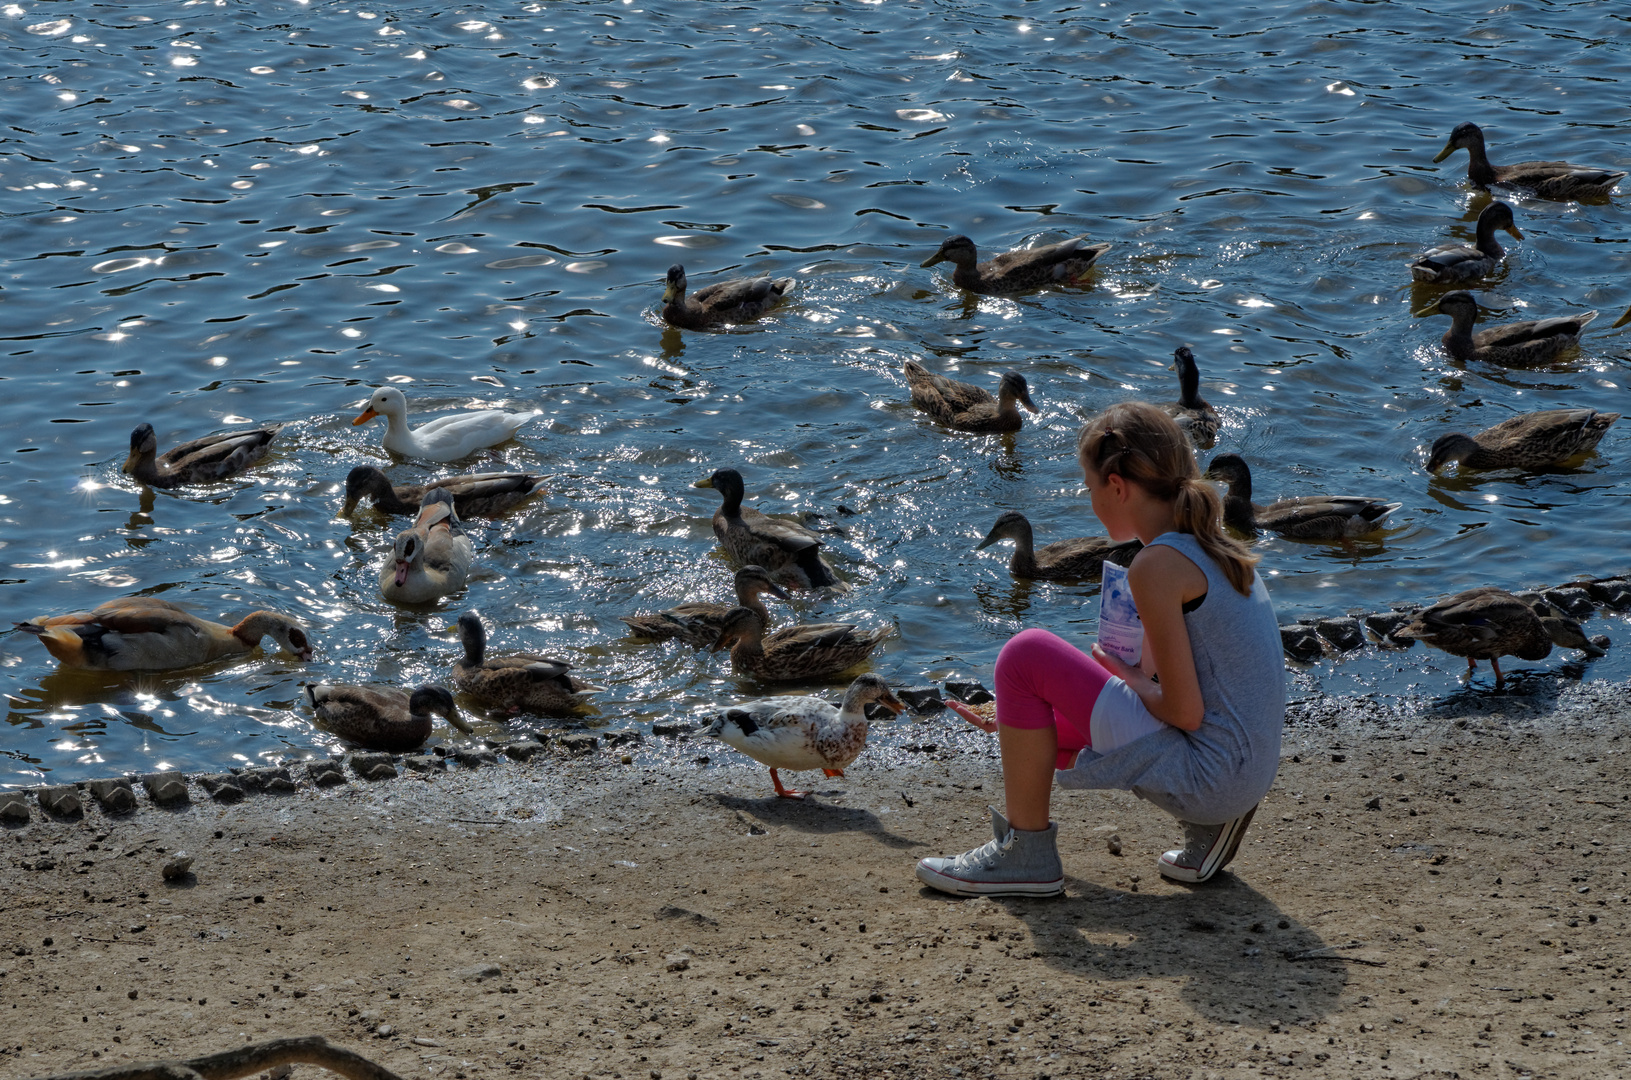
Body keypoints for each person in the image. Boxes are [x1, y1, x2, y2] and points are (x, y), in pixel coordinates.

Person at [916, 401, 1285, 897]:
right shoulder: (1211, 545)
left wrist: (1128, 678)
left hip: (1214, 778)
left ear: (1117, 486)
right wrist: (1019, 722)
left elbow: (1183, 711)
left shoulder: (1156, 566)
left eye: (1089, 487)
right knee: (1041, 710)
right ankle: (1212, 827)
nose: (1089, 501)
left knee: (1025, 654)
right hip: (1246, 770)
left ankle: (1027, 855)